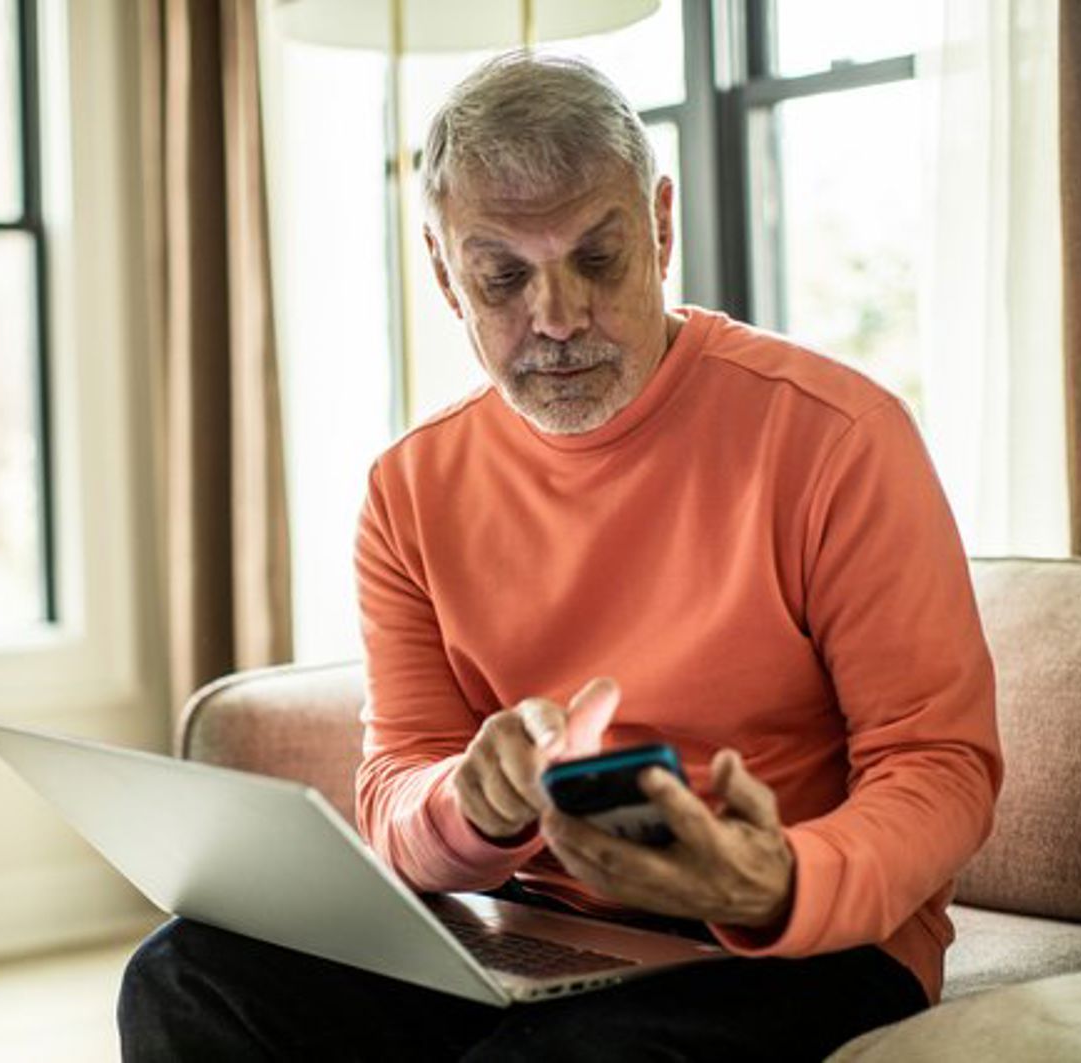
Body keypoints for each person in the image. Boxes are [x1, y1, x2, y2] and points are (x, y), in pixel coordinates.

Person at [118, 52, 1001, 1061]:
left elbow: (942, 767)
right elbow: (396, 784)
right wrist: (468, 807)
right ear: (446, 272)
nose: (558, 317)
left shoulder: (837, 436)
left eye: (597, 259)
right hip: (541, 926)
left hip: (797, 942)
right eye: (502, 275)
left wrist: (776, 879)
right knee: (185, 971)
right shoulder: (411, 487)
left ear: (661, 227)